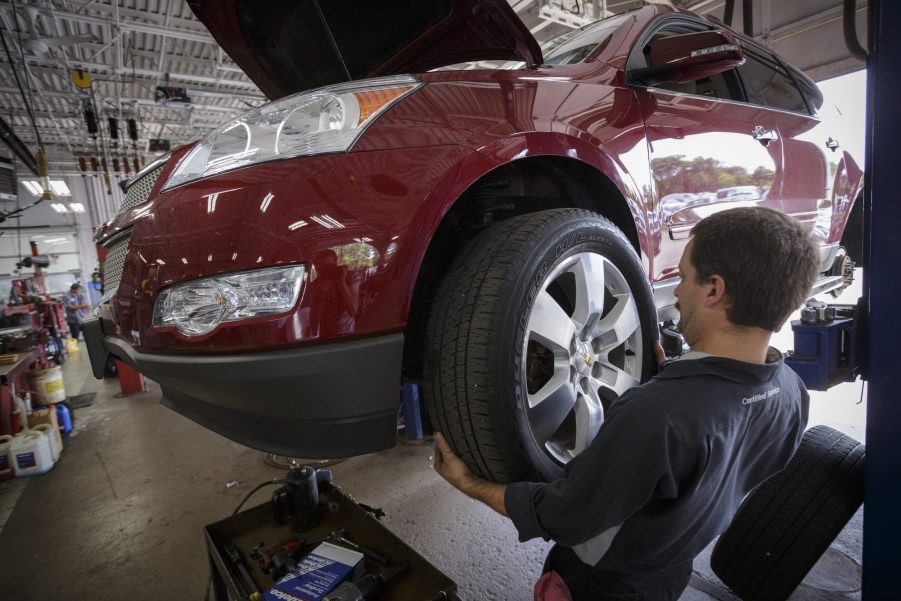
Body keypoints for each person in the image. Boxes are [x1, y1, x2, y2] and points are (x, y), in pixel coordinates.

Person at [433, 207, 820, 601]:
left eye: (684, 277)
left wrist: (469, 484)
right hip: (670, 572)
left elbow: (564, 516)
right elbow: (722, 438)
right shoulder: (791, 394)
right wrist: (675, 377)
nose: (678, 290)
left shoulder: (656, 415)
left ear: (713, 290)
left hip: (600, 587)